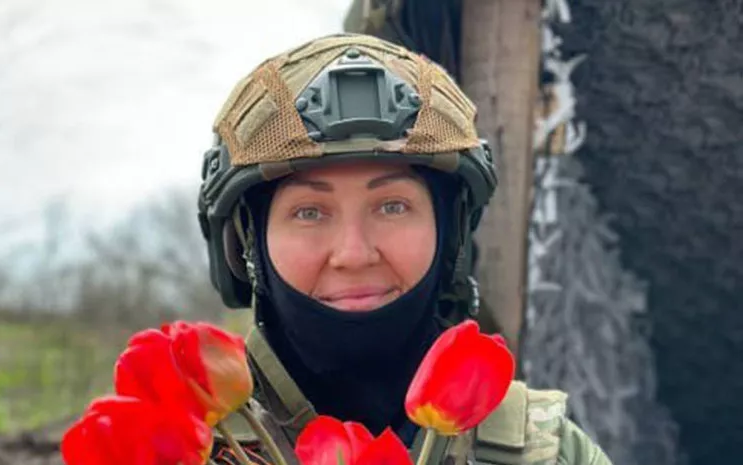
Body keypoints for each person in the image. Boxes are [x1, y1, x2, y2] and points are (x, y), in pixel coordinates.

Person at [197, 33, 612, 465]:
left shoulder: (551, 453)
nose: (354, 254)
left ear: (449, 232)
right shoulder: (175, 446)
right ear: (248, 244)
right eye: (309, 212)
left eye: (392, 206)